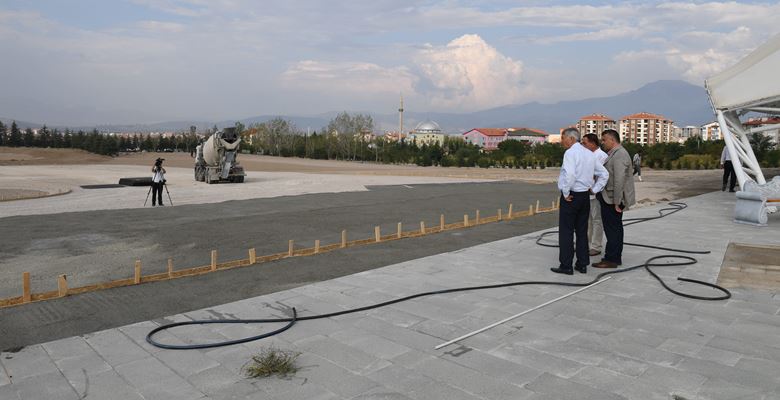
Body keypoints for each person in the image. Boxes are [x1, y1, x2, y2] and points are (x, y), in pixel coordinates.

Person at [551, 128, 609, 275]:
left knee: (566, 231)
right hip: (584, 196)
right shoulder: (589, 154)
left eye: (563, 138)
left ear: (571, 138)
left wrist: (566, 192)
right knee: (582, 231)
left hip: (572, 196)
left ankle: (566, 265)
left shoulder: (570, 153)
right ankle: (582, 264)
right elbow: (604, 174)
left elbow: (570, 175)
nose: (562, 141)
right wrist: (595, 189)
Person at [593, 130, 636, 269]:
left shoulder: (620, 154)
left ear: (612, 140)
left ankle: (611, 259)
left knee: (613, 229)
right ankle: (614, 257)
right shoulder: (614, 153)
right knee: (614, 228)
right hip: (609, 197)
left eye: (604, 140)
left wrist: (617, 201)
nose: (602, 143)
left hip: (612, 199)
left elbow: (619, 179)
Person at [582, 133, 608, 256]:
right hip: (585, 193)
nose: (583, 145)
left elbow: (598, 175)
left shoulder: (601, 156)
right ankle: (585, 244)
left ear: (592, 143)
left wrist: (594, 188)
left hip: (596, 193)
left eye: (585, 143)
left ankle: (596, 246)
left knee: (597, 220)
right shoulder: (587, 155)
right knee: (587, 221)